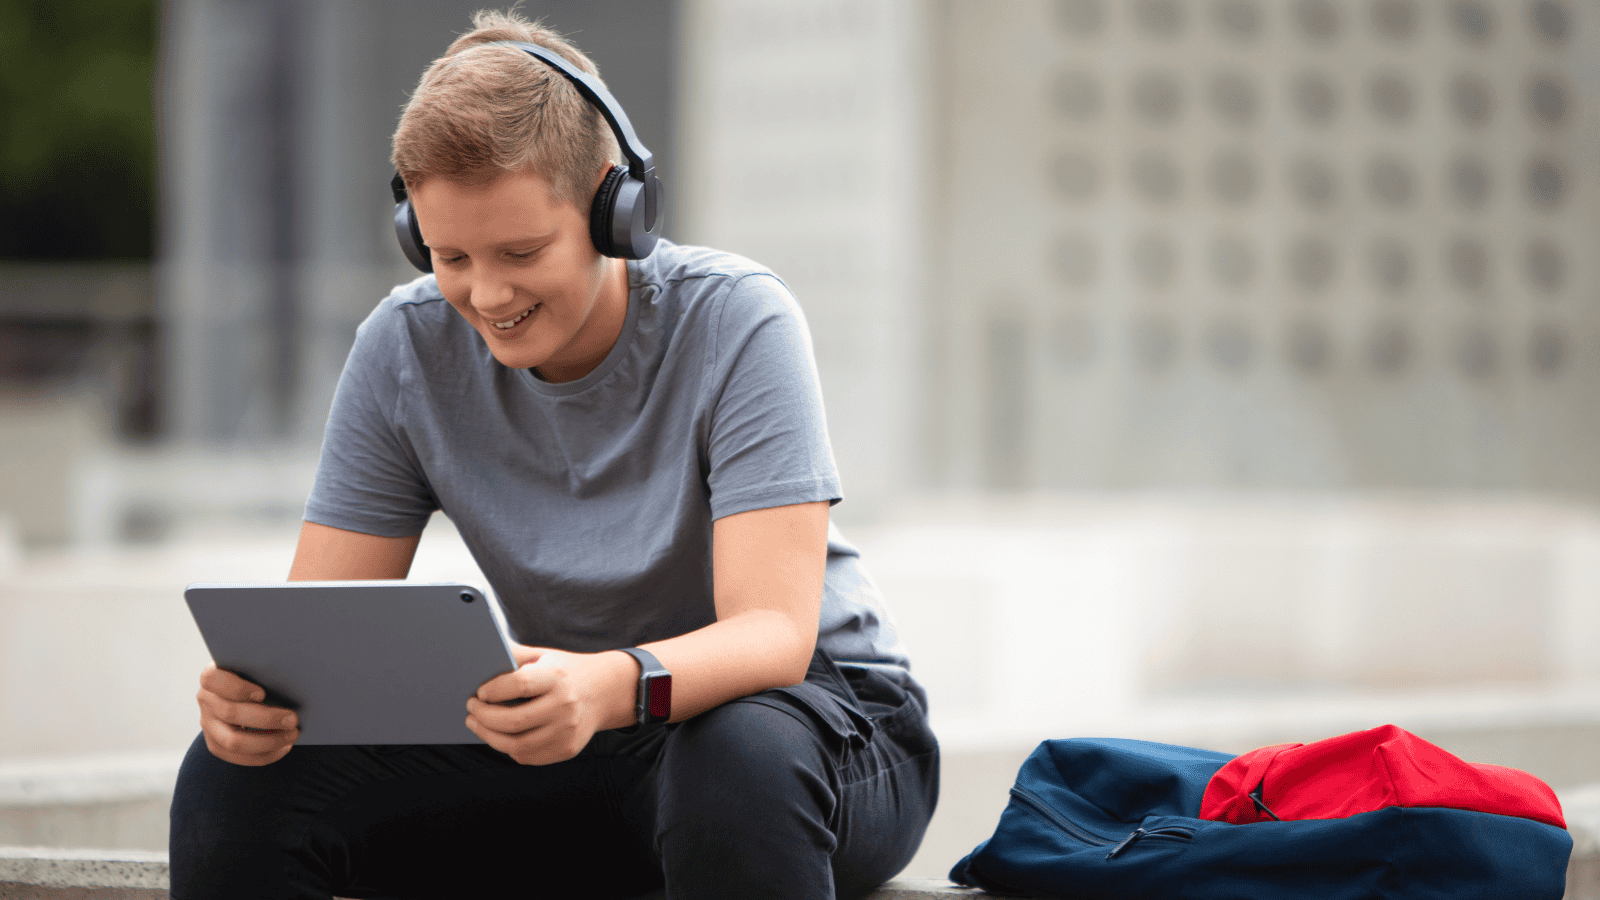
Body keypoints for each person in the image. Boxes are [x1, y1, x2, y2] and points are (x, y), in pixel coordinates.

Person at [169, 10, 939, 900]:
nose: (486, 294)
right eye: (449, 255)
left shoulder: (738, 320)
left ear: (617, 209)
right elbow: (318, 641)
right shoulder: (402, 345)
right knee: (235, 779)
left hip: (815, 729)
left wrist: (613, 687)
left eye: (522, 251)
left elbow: (773, 635)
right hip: (581, 736)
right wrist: (259, 704)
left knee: (734, 761)